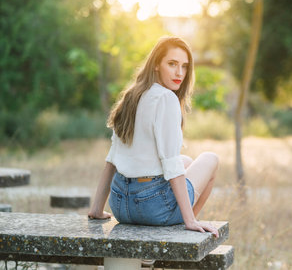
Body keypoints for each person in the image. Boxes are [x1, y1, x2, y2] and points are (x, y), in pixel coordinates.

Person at [88, 36, 219, 237]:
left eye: (184, 67)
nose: (179, 73)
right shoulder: (166, 98)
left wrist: (97, 209)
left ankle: (179, 228)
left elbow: (112, 158)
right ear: (157, 64)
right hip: (152, 208)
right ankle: (186, 230)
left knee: (187, 161)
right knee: (210, 159)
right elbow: (171, 163)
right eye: (172, 64)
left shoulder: (131, 95)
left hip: (120, 205)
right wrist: (189, 220)